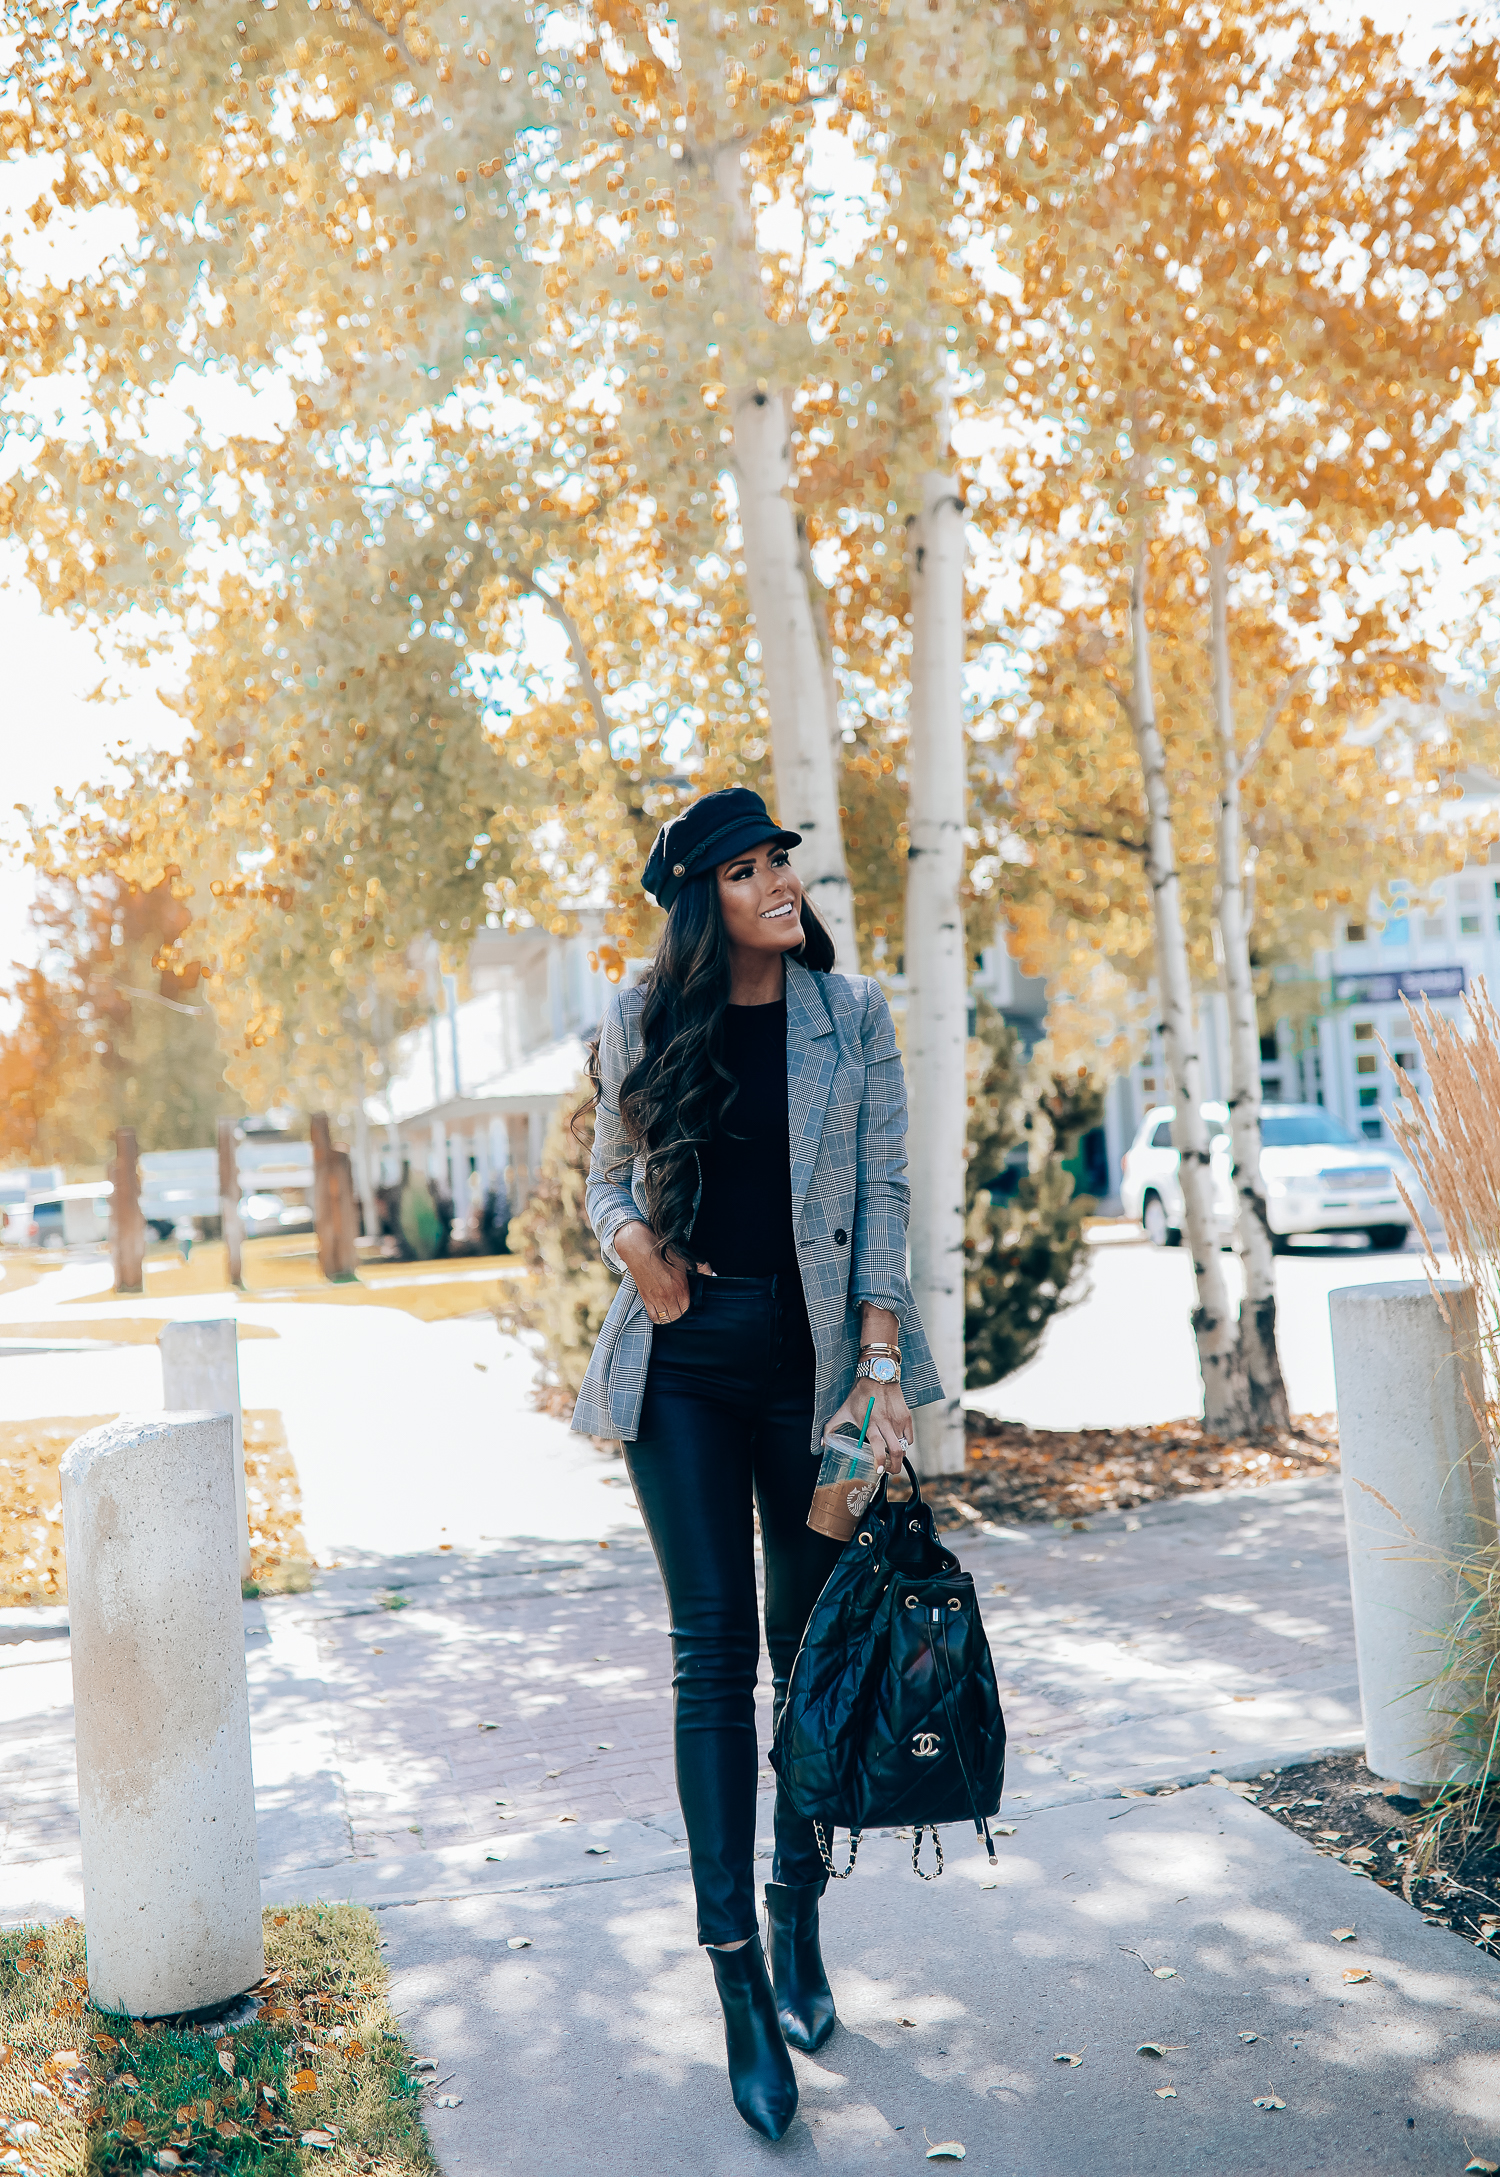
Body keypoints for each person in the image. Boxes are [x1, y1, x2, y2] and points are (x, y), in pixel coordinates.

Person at [572, 786, 941, 2142]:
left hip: (819, 1372)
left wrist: (885, 1371)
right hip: (680, 1368)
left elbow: (886, 1192)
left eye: (782, 858)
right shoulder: (640, 1015)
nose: (782, 879)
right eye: (749, 866)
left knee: (813, 1654)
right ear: (701, 897)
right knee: (711, 1655)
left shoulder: (854, 1016)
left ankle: (797, 1917)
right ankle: (733, 1976)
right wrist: (634, 1248)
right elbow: (606, 1175)